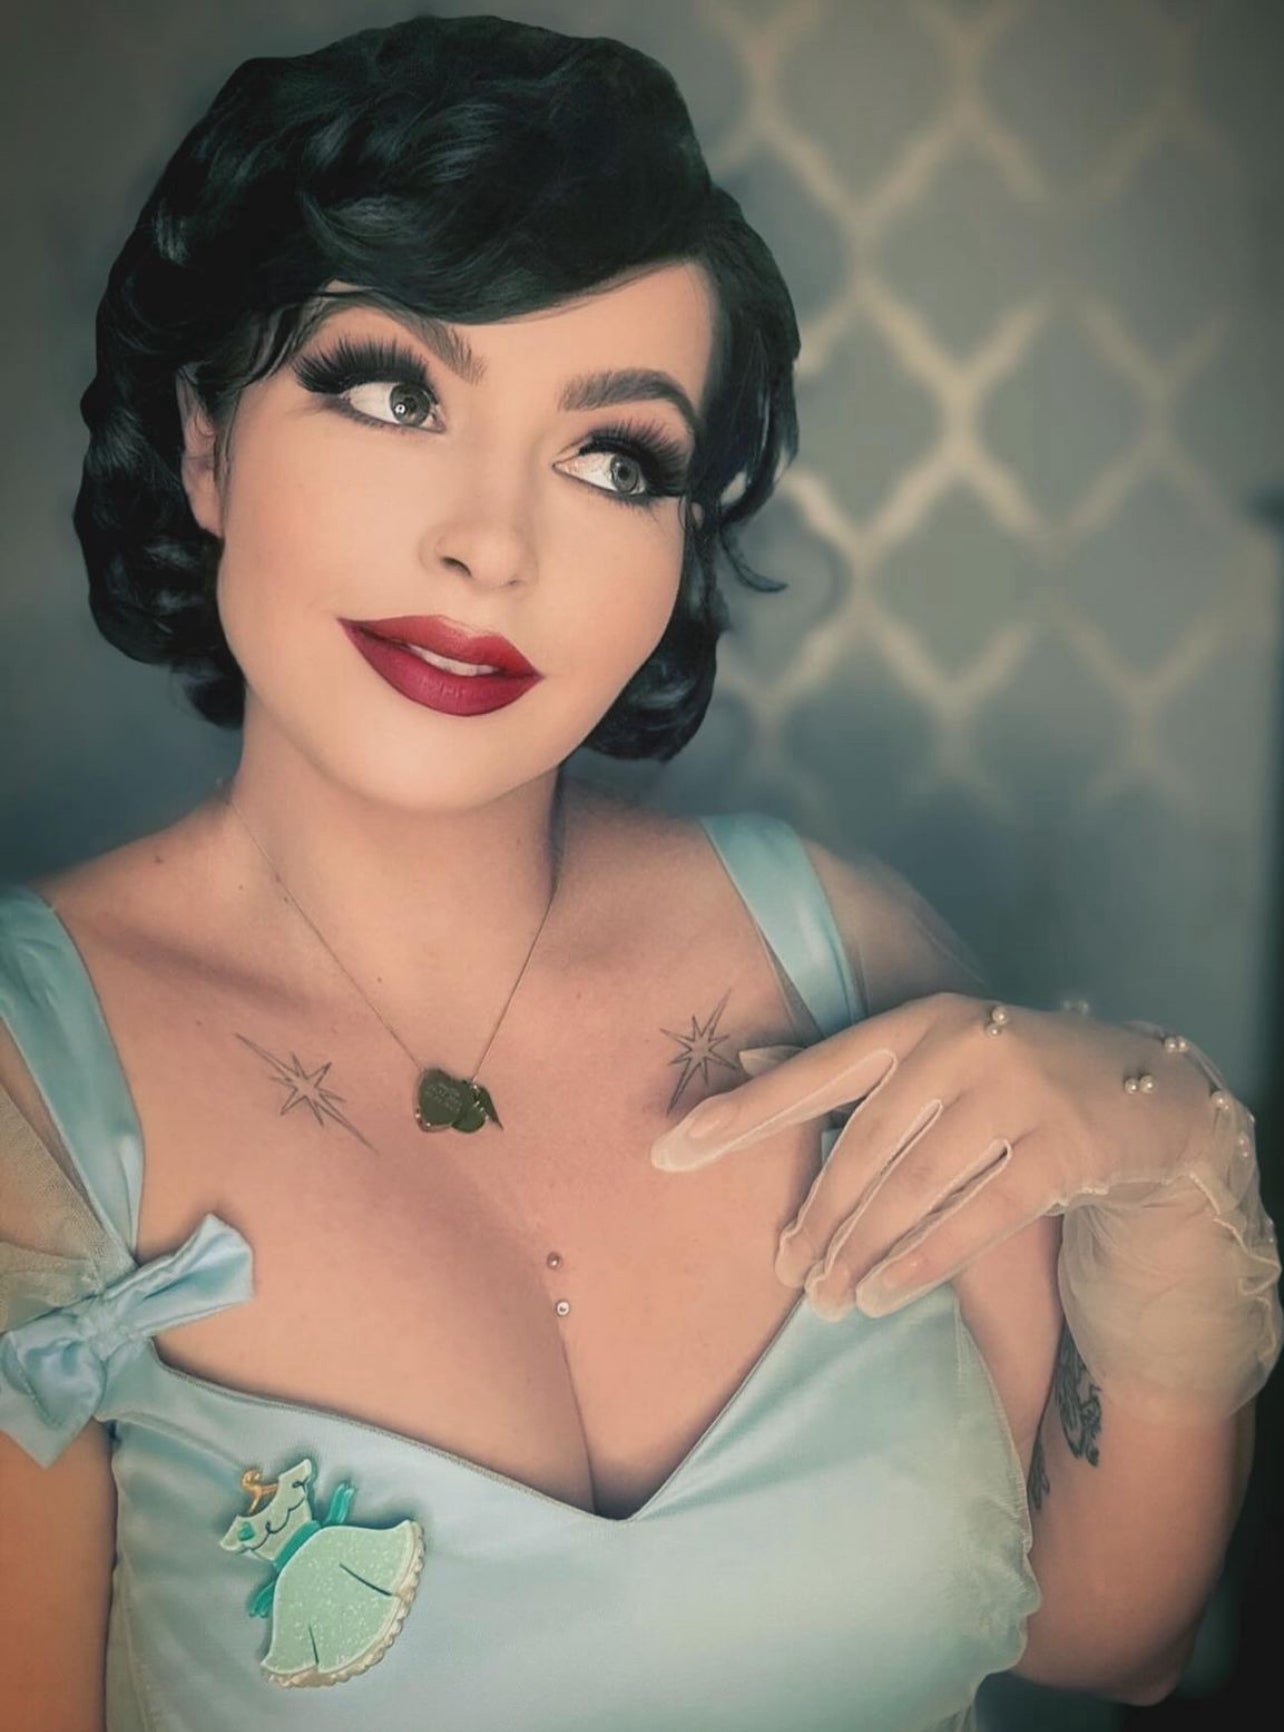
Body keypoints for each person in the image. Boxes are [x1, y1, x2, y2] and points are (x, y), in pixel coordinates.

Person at [0, 14, 1278, 1732]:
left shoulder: (841, 945)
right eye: (393, 390)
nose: (492, 544)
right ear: (208, 443)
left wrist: (1165, 1150)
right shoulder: (28, 1092)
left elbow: (1111, 1636)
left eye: (614, 457)